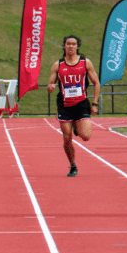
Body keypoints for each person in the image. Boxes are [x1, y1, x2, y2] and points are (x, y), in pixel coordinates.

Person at [47, 35, 100, 177]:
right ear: (64, 46)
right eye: (68, 44)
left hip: (81, 103)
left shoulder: (85, 63)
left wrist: (95, 103)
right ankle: (73, 165)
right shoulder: (58, 65)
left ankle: (77, 126)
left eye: (73, 44)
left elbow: (96, 83)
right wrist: (51, 87)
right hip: (64, 105)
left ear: (77, 46)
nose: (71, 46)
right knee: (66, 137)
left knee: (86, 136)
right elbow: (50, 85)